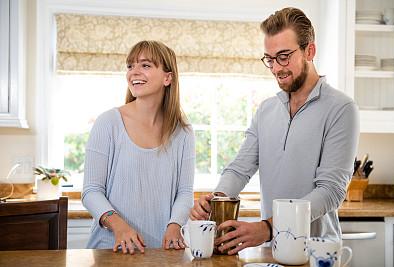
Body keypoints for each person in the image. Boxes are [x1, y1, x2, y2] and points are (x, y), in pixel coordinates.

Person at [190, 7, 360, 255]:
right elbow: (240, 168)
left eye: (284, 56)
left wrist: (267, 228)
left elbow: (330, 191)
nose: (276, 68)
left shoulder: (341, 109)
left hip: (316, 252)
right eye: (269, 59)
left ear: (309, 51)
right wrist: (216, 200)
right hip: (272, 252)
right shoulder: (266, 110)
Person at [82, 40, 195, 254]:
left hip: (162, 252)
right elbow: (91, 191)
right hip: (111, 250)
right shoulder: (108, 122)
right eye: (130, 66)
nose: (134, 72)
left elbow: (185, 192)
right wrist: (120, 227)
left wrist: (175, 226)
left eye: (145, 65)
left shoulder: (183, 132)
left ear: (167, 77)